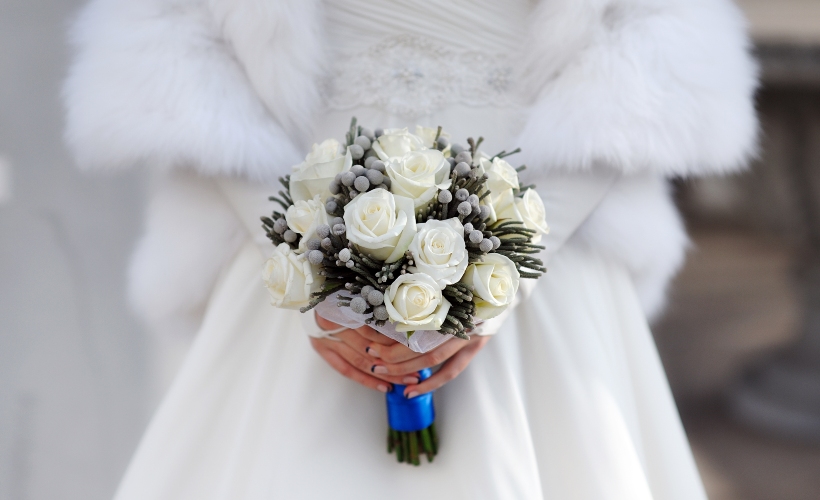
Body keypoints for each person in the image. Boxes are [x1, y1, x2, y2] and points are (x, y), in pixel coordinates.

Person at [64, 0, 757, 498]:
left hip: (548, 253)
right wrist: (312, 271)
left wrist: (500, 274)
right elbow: (169, 44)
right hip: (286, 258)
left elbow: (658, 48)